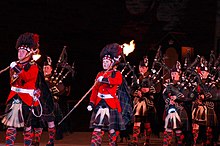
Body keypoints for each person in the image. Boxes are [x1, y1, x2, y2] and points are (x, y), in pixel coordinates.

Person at [1, 32, 43, 146]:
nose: (20, 53)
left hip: (26, 100)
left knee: (27, 127)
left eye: (22, 51)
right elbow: (13, 82)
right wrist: (15, 68)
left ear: (28, 53)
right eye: (19, 51)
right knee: (10, 126)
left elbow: (25, 77)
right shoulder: (15, 66)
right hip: (14, 97)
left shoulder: (34, 67)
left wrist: (16, 68)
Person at [87, 43, 125, 146]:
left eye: (107, 61)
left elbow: (117, 81)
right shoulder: (99, 74)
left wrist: (104, 79)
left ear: (111, 63)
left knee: (111, 129)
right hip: (99, 104)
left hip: (111, 104)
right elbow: (95, 90)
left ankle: (112, 144)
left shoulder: (116, 73)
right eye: (103, 61)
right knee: (97, 127)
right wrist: (91, 102)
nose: (104, 63)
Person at [129, 56, 157, 146]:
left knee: (147, 124)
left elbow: (158, 88)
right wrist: (137, 93)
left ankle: (147, 141)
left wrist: (149, 90)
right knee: (136, 122)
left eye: (144, 67)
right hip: (138, 103)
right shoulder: (136, 77)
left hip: (148, 103)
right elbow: (131, 89)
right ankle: (134, 141)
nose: (141, 69)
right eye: (140, 67)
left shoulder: (151, 77)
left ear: (147, 68)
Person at [162, 61, 190, 146]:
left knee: (179, 130)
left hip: (180, 109)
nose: (173, 75)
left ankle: (180, 144)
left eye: (175, 73)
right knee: (168, 128)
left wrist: (176, 97)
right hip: (170, 108)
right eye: (172, 73)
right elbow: (164, 94)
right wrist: (168, 100)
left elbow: (186, 95)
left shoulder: (184, 84)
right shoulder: (169, 85)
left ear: (179, 74)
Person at [192, 57, 218, 145]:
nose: (202, 74)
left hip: (209, 107)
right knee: (200, 127)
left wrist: (204, 96)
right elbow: (193, 93)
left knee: (210, 128)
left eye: (204, 72)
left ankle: (210, 141)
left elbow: (214, 94)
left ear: (207, 73)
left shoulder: (211, 83)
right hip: (199, 107)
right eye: (201, 72)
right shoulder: (197, 82)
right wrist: (196, 96)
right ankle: (200, 140)